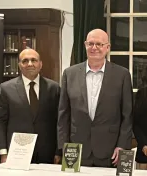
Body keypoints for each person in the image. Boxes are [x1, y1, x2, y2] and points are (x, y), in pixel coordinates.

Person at [57, 29, 133, 167]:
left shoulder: (122, 75)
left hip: (110, 151)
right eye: (90, 44)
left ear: (107, 47)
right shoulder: (69, 74)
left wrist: (122, 145)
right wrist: (63, 146)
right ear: (85, 45)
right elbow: (63, 114)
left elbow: (127, 115)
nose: (94, 48)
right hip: (75, 150)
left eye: (99, 44)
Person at [0, 48, 61, 164]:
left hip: (47, 153)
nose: (30, 64)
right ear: (19, 65)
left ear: (40, 64)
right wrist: (3, 153)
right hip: (17, 153)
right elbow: (0, 121)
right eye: (25, 61)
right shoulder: (6, 89)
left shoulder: (54, 88)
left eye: (34, 60)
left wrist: (59, 151)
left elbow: (60, 121)